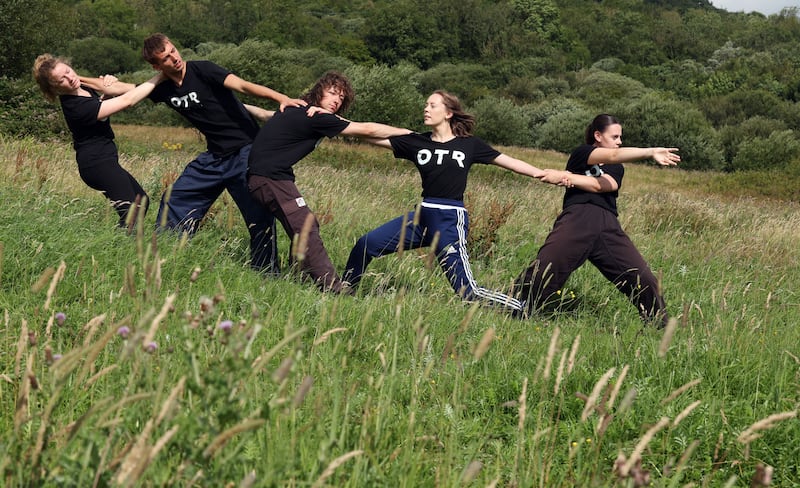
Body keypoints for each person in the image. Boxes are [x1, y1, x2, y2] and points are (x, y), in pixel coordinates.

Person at [342, 90, 562, 313]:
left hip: (449, 219)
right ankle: (344, 290)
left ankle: (524, 309)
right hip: (422, 217)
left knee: (468, 292)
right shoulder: (418, 142)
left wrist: (543, 174)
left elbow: (510, 162)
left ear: (448, 113)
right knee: (366, 244)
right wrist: (329, 122)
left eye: (432, 105)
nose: (426, 109)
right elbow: (367, 133)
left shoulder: (469, 145)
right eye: (426, 104)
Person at [141, 33, 306, 273]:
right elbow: (129, 92)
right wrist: (83, 82)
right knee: (175, 199)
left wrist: (281, 98)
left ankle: (266, 273)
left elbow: (242, 85)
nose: (174, 58)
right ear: (157, 66)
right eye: (166, 58)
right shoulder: (164, 88)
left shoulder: (203, 70)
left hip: (246, 153)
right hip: (214, 158)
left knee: (258, 216)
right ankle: (165, 256)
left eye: (173, 50)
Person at [247, 71, 413, 293]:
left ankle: (301, 275)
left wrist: (240, 105)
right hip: (271, 178)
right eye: (332, 93)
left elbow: (266, 115)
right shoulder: (315, 116)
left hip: (264, 178)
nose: (336, 100)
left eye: (341, 98)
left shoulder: (298, 109)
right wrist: (412, 136)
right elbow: (368, 130)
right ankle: (333, 287)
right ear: (319, 91)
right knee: (305, 226)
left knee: (306, 224)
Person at [515, 114, 680, 326]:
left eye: (621, 137)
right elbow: (606, 163)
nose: (619, 141)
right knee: (546, 267)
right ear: (598, 135)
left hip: (608, 225)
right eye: (615, 136)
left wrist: (570, 177)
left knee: (643, 278)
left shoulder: (617, 166)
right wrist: (649, 152)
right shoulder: (582, 154)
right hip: (579, 217)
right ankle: (514, 306)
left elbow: (605, 185)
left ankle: (660, 327)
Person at [32, 54, 164, 228]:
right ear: (55, 89)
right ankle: (124, 248)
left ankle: (122, 240)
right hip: (95, 164)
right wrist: (160, 77)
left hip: (106, 159)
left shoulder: (82, 86)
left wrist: (108, 86)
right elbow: (127, 101)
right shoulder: (75, 107)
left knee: (142, 201)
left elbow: (103, 100)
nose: (70, 78)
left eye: (68, 71)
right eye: (61, 80)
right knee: (132, 208)